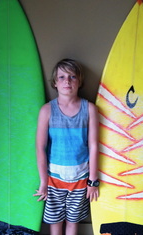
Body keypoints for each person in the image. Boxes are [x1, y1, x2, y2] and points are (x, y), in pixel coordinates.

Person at [34, 58, 99, 235]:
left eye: (72, 76)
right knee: (55, 224)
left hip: (80, 179)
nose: (67, 81)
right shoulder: (47, 110)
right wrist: (43, 182)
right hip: (54, 179)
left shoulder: (90, 109)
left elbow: (93, 146)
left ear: (80, 81)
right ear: (55, 83)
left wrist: (92, 181)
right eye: (61, 77)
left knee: (72, 223)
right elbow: (40, 147)